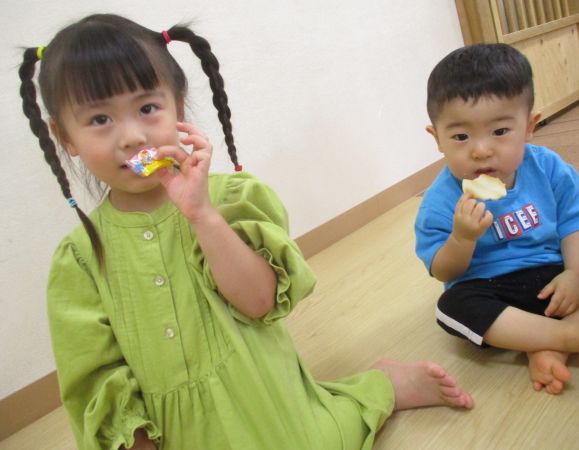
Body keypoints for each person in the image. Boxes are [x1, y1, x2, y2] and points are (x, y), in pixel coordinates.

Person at [19, 14, 474, 450]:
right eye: (100, 119)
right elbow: (94, 377)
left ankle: (378, 387)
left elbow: (260, 301)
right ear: (66, 138)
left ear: (179, 109)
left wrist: (202, 215)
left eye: (148, 108)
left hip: (267, 402)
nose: (132, 137)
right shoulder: (79, 259)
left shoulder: (230, 199)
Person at [415, 43, 579, 396]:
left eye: (500, 131)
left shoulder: (548, 168)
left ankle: (545, 345)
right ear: (437, 139)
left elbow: (576, 225)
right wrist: (462, 238)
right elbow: (443, 272)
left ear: (529, 126)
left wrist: (576, 275)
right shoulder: (440, 200)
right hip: (491, 288)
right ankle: (570, 335)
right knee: (452, 307)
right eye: (460, 136)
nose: (481, 150)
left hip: (555, 275)